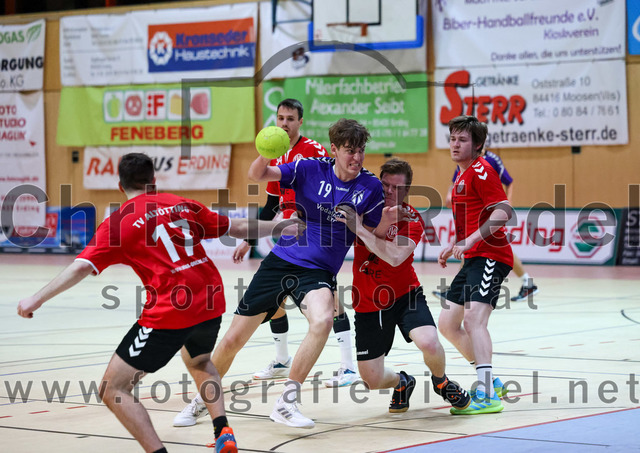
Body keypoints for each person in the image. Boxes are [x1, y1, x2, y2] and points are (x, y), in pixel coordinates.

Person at [16, 153, 304, 452]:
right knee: (199, 360)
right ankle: (223, 431)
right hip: (210, 296)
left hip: (172, 307)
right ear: (153, 181)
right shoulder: (180, 203)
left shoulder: (117, 223)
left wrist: (36, 299)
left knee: (113, 388)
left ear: (120, 185)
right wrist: (280, 227)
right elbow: (238, 227)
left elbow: (81, 267)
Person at [178, 118, 384, 429]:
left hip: (318, 270)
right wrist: (267, 152)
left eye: (361, 150)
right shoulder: (309, 168)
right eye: (349, 151)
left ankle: (287, 403)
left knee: (323, 320)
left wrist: (362, 226)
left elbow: (373, 235)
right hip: (281, 261)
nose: (357, 157)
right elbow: (258, 174)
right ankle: (201, 401)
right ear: (334, 149)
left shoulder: (371, 187)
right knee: (233, 339)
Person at [232, 98, 358, 388]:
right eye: (280, 118)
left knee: (329, 299)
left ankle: (348, 366)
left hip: (315, 229)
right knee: (276, 297)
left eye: (290, 119)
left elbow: (331, 188)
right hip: (289, 230)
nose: (284, 123)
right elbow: (271, 203)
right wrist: (250, 240)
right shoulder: (273, 155)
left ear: (300, 122)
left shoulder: (312, 150)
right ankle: (281, 359)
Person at [336, 158, 471, 414]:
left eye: (396, 188)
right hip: (368, 302)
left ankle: (441, 382)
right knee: (372, 380)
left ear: (407, 190)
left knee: (429, 342)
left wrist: (359, 230)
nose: (389, 191)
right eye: (385, 185)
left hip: (405, 294)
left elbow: (395, 257)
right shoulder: (364, 210)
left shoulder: (412, 219)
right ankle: (402, 382)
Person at [436, 116, 514, 415]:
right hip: (473, 257)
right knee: (448, 324)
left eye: (463, 140)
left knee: (473, 320)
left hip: (491, 254)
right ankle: (491, 381)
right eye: (453, 138)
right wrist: (456, 244)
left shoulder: (481, 170)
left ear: (478, 144)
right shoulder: (461, 174)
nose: (455, 144)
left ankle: (487, 395)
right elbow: (472, 218)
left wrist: (471, 240)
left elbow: (504, 211)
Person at [433, 147, 538, 302]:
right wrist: (450, 194)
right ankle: (459, 287)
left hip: (491, 212)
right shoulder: (465, 161)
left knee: (496, 246)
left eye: (463, 139)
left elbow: (509, 182)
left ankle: (527, 282)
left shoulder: (492, 160)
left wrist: (507, 202)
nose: (457, 144)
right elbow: (455, 183)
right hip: (473, 214)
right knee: (471, 249)